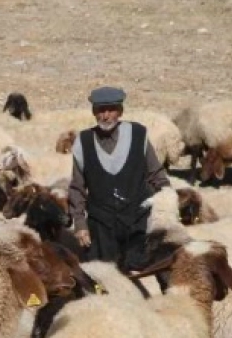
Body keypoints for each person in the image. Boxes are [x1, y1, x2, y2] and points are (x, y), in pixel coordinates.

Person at [66, 86, 170, 272]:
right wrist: (80, 223)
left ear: (120, 111)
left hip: (137, 223)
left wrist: (168, 207)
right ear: (93, 112)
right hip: (101, 227)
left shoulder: (139, 135)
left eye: (111, 109)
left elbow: (157, 175)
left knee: (143, 274)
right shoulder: (83, 141)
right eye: (100, 110)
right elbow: (77, 187)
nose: (106, 116)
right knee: (104, 278)